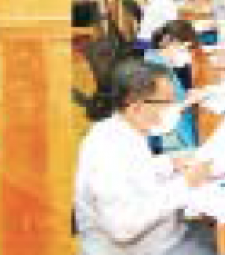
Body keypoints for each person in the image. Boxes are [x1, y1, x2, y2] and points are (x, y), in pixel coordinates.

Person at [75, 57, 216, 255]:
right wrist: (186, 183)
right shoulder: (106, 154)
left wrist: (170, 163)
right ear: (136, 108)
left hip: (166, 234)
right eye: (167, 102)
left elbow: (136, 171)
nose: (175, 108)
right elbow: (122, 228)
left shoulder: (125, 129)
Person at [145, 20, 204, 153]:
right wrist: (188, 101)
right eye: (183, 49)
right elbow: (161, 115)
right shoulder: (156, 70)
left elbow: (173, 96)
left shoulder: (157, 59)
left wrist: (188, 95)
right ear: (169, 42)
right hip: (171, 135)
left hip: (179, 122)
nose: (186, 54)